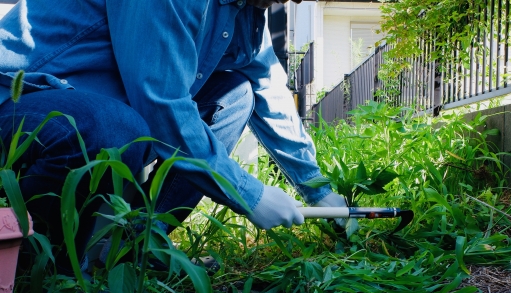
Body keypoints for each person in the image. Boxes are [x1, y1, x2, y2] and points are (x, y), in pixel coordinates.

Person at [0, 0, 346, 270]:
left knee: (235, 95)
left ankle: (135, 246)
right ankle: (48, 269)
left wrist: (316, 187)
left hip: (101, 111)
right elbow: (162, 102)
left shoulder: (243, 9)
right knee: (115, 126)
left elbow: (266, 82)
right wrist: (247, 194)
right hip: (19, 101)